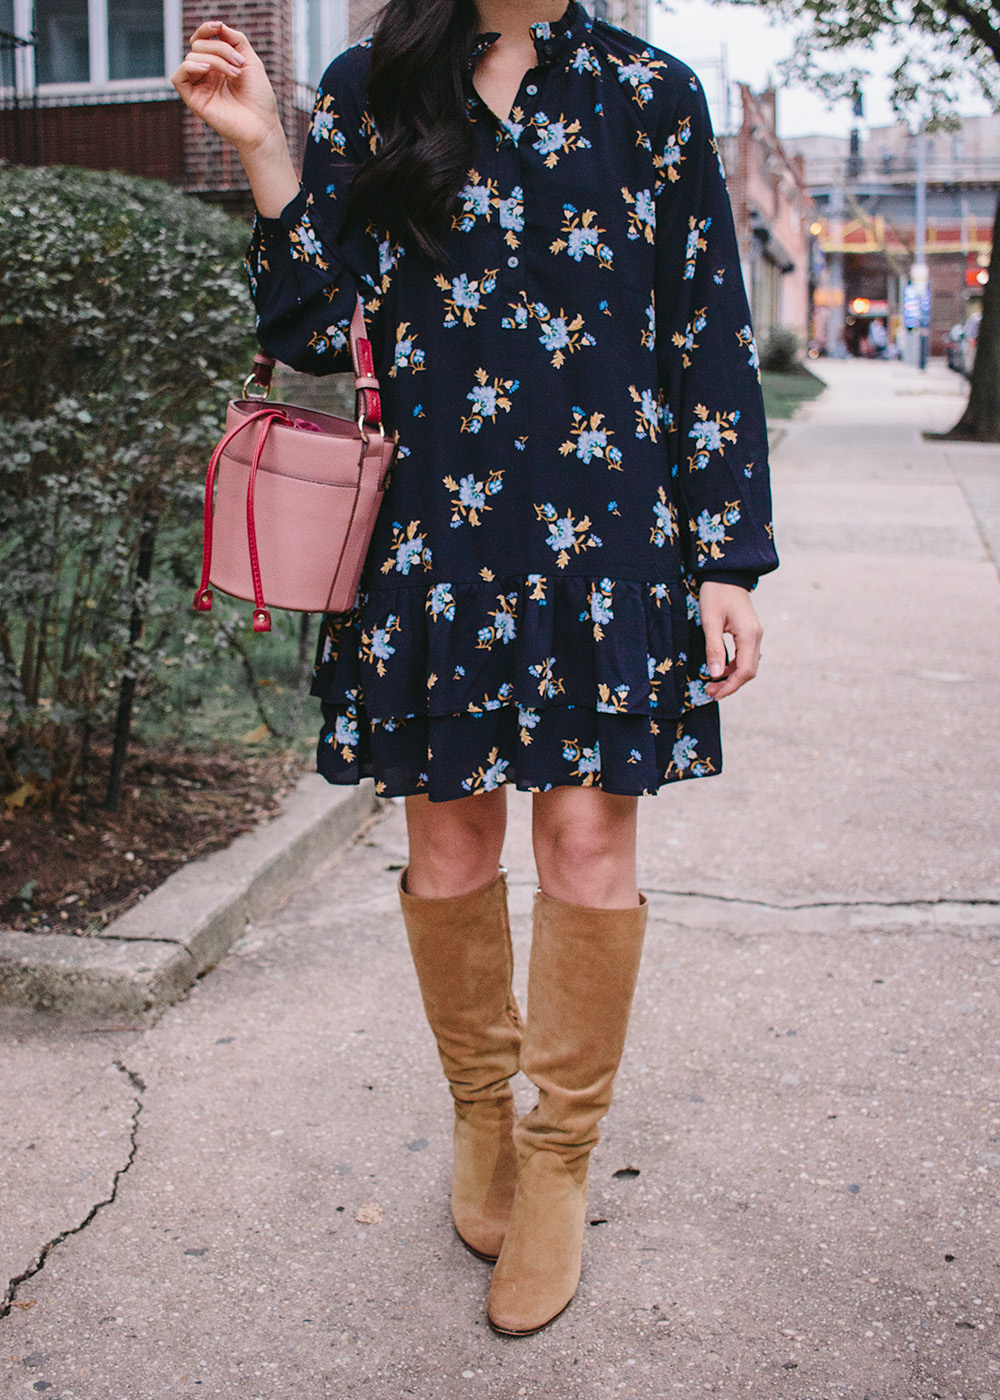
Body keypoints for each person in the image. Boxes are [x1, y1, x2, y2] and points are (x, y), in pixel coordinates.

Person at [173, 0, 777, 1336]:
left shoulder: (650, 93)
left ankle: (559, 1159)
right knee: (449, 846)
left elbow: (708, 333)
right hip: (433, 541)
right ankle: (481, 1118)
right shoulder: (373, 85)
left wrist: (729, 557)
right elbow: (321, 327)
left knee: (588, 844)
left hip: (609, 542)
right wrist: (267, 149)